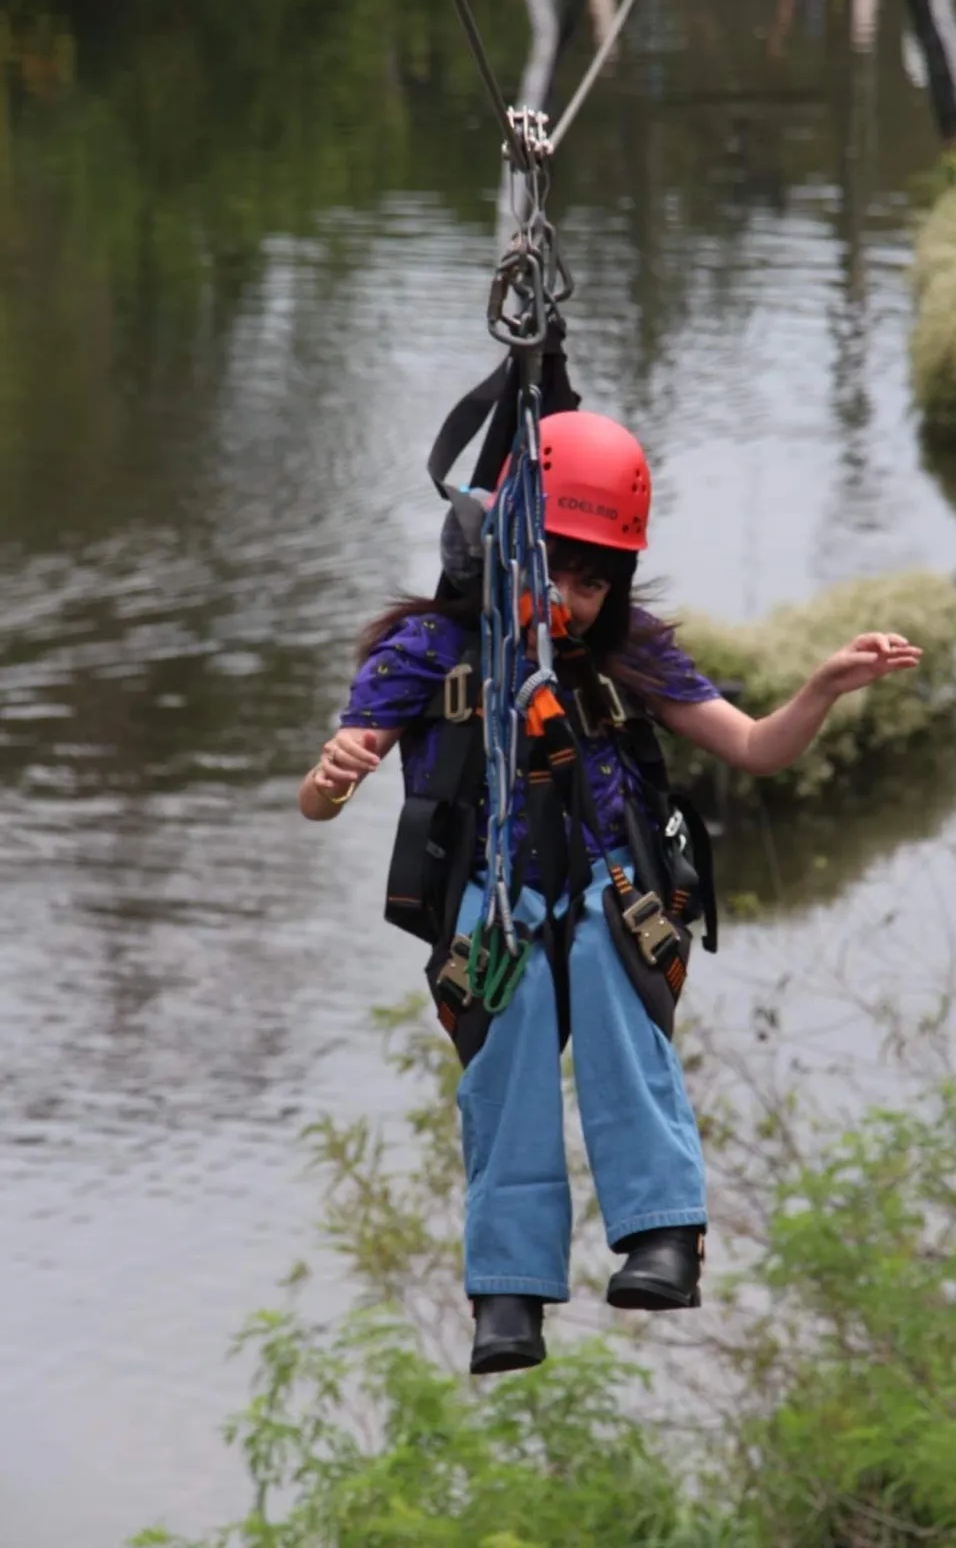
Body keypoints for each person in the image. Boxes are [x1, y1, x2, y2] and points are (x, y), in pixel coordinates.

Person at [298, 410, 921, 1376]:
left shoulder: (631, 656)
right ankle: (508, 1289)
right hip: (491, 893)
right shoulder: (429, 651)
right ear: (502, 550)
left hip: (612, 889)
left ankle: (663, 1231)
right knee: (506, 1039)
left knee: (600, 955)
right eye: (554, 569)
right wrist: (335, 773)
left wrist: (821, 689)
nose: (571, 599)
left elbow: (753, 747)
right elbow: (322, 796)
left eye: (593, 582)